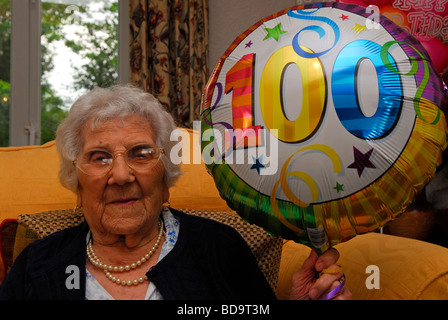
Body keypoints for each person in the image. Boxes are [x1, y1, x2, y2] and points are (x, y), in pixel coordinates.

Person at [0, 85, 351, 300]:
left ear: (166, 180)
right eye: (100, 157)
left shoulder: (219, 250)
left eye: (141, 153)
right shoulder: (37, 266)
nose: (121, 175)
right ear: (77, 185)